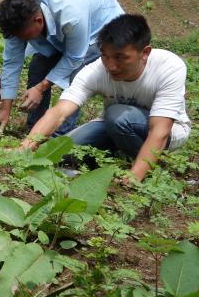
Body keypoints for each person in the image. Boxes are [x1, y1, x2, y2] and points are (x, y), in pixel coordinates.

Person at [20, 14, 191, 182]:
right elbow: (59, 112)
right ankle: (117, 154)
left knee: (118, 116)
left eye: (120, 57)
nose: (110, 65)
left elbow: (160, 130)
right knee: (62, 151)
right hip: (111, 125)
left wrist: (135, 177)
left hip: (168, 130)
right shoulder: (96, 71)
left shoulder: (169, 67)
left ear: (145, 53)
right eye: (104, 55)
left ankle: (147, 166)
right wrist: (24, 149)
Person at [0, 0, 124, 134]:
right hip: (63, 26)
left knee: (74, 78)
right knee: (37, 68)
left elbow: (74, 58)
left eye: (25, 37)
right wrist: (5, 110)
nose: (21, 41)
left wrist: (40, 88)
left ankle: (60, 134)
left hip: (99, 26)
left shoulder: (71, 16)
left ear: (39, 21)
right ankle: (35, 129)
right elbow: (11, 63)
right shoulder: (16, 23)